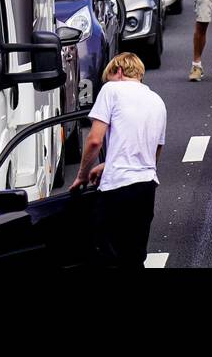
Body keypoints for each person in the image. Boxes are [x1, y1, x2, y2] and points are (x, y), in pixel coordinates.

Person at [71, 52, 166, 268]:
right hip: (146, 186)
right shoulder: (157, 101)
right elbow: (154, 150)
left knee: (107, 256)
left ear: (119, 72)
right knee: (134, 257)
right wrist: (107, 164)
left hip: (117, 188)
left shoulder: (112, 89)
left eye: (109, 77)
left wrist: (82, 175)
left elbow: (95, 140)